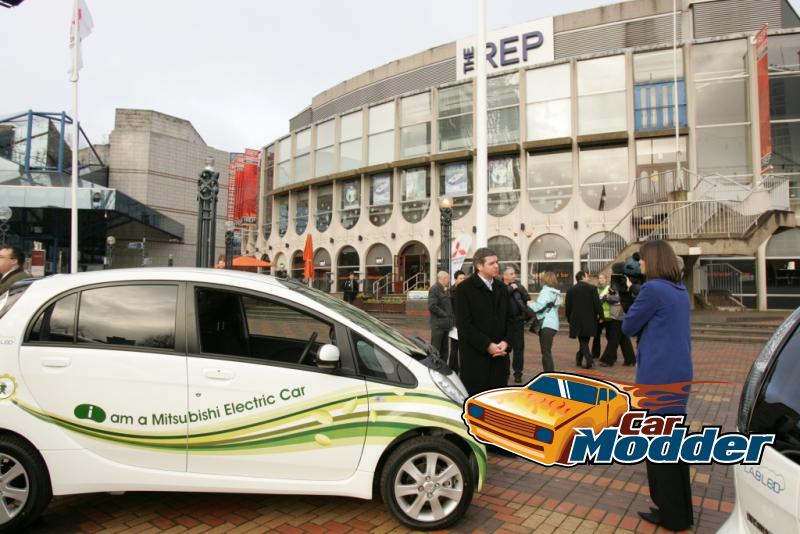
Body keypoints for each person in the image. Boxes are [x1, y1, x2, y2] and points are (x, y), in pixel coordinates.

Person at [621, 240, 693, 531]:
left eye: (643, 259)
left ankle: (670, 515)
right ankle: (680, 512)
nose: (640, 264)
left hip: (657, 378)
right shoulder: (679, 289)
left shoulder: (653, 289)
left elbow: (627, 326)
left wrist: (630, 295)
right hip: (678, 375)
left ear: (654, 260)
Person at [455, 248, 513, 396]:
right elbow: (465, 326)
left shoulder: (502, 288)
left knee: (498, 401)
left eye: (497, 262)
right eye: (491, 263)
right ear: (479, 266)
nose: (496, 266)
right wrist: (487, 345)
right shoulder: (464, 289)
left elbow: (511, 319)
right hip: (475, 360)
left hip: (500, 357)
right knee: (477, 404)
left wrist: (506, 342)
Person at [565, 271, 602, 369]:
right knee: (584, 340)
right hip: (590, 319)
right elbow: (597, 304)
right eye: (587, 276)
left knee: (583, 340)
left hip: (576, 319)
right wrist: (601, 316)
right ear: (582, 277)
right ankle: (589, 360)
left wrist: (569, 318)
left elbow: (568, 307)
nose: (589, 278)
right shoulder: (592, 288)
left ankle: (579, 358)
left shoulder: (570, 290)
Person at [528, 271, 561, 373]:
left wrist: (529, 303)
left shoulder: (545, 292)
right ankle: (549, 373)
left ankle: (549, 374)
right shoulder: (556, 293)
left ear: (545, 280)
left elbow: (538, 307)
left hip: (546, 324)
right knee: (547, 351)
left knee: (546, 352)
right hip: (553, 325)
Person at [503, 266, 531, 383]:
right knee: (505, 349)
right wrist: (510, 289)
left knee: (519, 349)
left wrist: (518, 289)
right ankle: (505, 372)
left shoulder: (519, 286)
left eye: (514, 274)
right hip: (505, 323)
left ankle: (518, 373)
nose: (514, 276)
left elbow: (527, 298)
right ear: (504, 276)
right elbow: (500, 298)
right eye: (511, 274)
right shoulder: (499, 286)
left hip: (518, 322)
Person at [428, 271, 454, 360]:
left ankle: (443, 369)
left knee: (444, 351)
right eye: (448, 278)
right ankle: (435, 369)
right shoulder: (434, 289)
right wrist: (445, 314)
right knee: (436, 350)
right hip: (438, 326)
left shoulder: (445, 289)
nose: (449, 280)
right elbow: (432, 306)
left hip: (445, 325)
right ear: (443, 278)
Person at [448, 270, 467, 373]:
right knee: (454, 348)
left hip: (464, 324)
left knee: (462, 348)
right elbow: (450, 309)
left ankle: (457, 369)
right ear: (455, 279)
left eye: (464, 278)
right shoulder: (451, 292)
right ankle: (451, 368)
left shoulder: (465, 290)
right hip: (455, 324)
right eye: (460, 278)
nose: (462, 280)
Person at [591, 274, 610, 360]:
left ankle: (610, 354)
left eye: (602, 278)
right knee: (596, 336)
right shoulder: (596, 289)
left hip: (608, 316)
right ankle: (595, 353)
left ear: (606, 279)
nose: (600, 280)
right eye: (599, 278)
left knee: (609, 336)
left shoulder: (609, 288)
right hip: (598, 316)